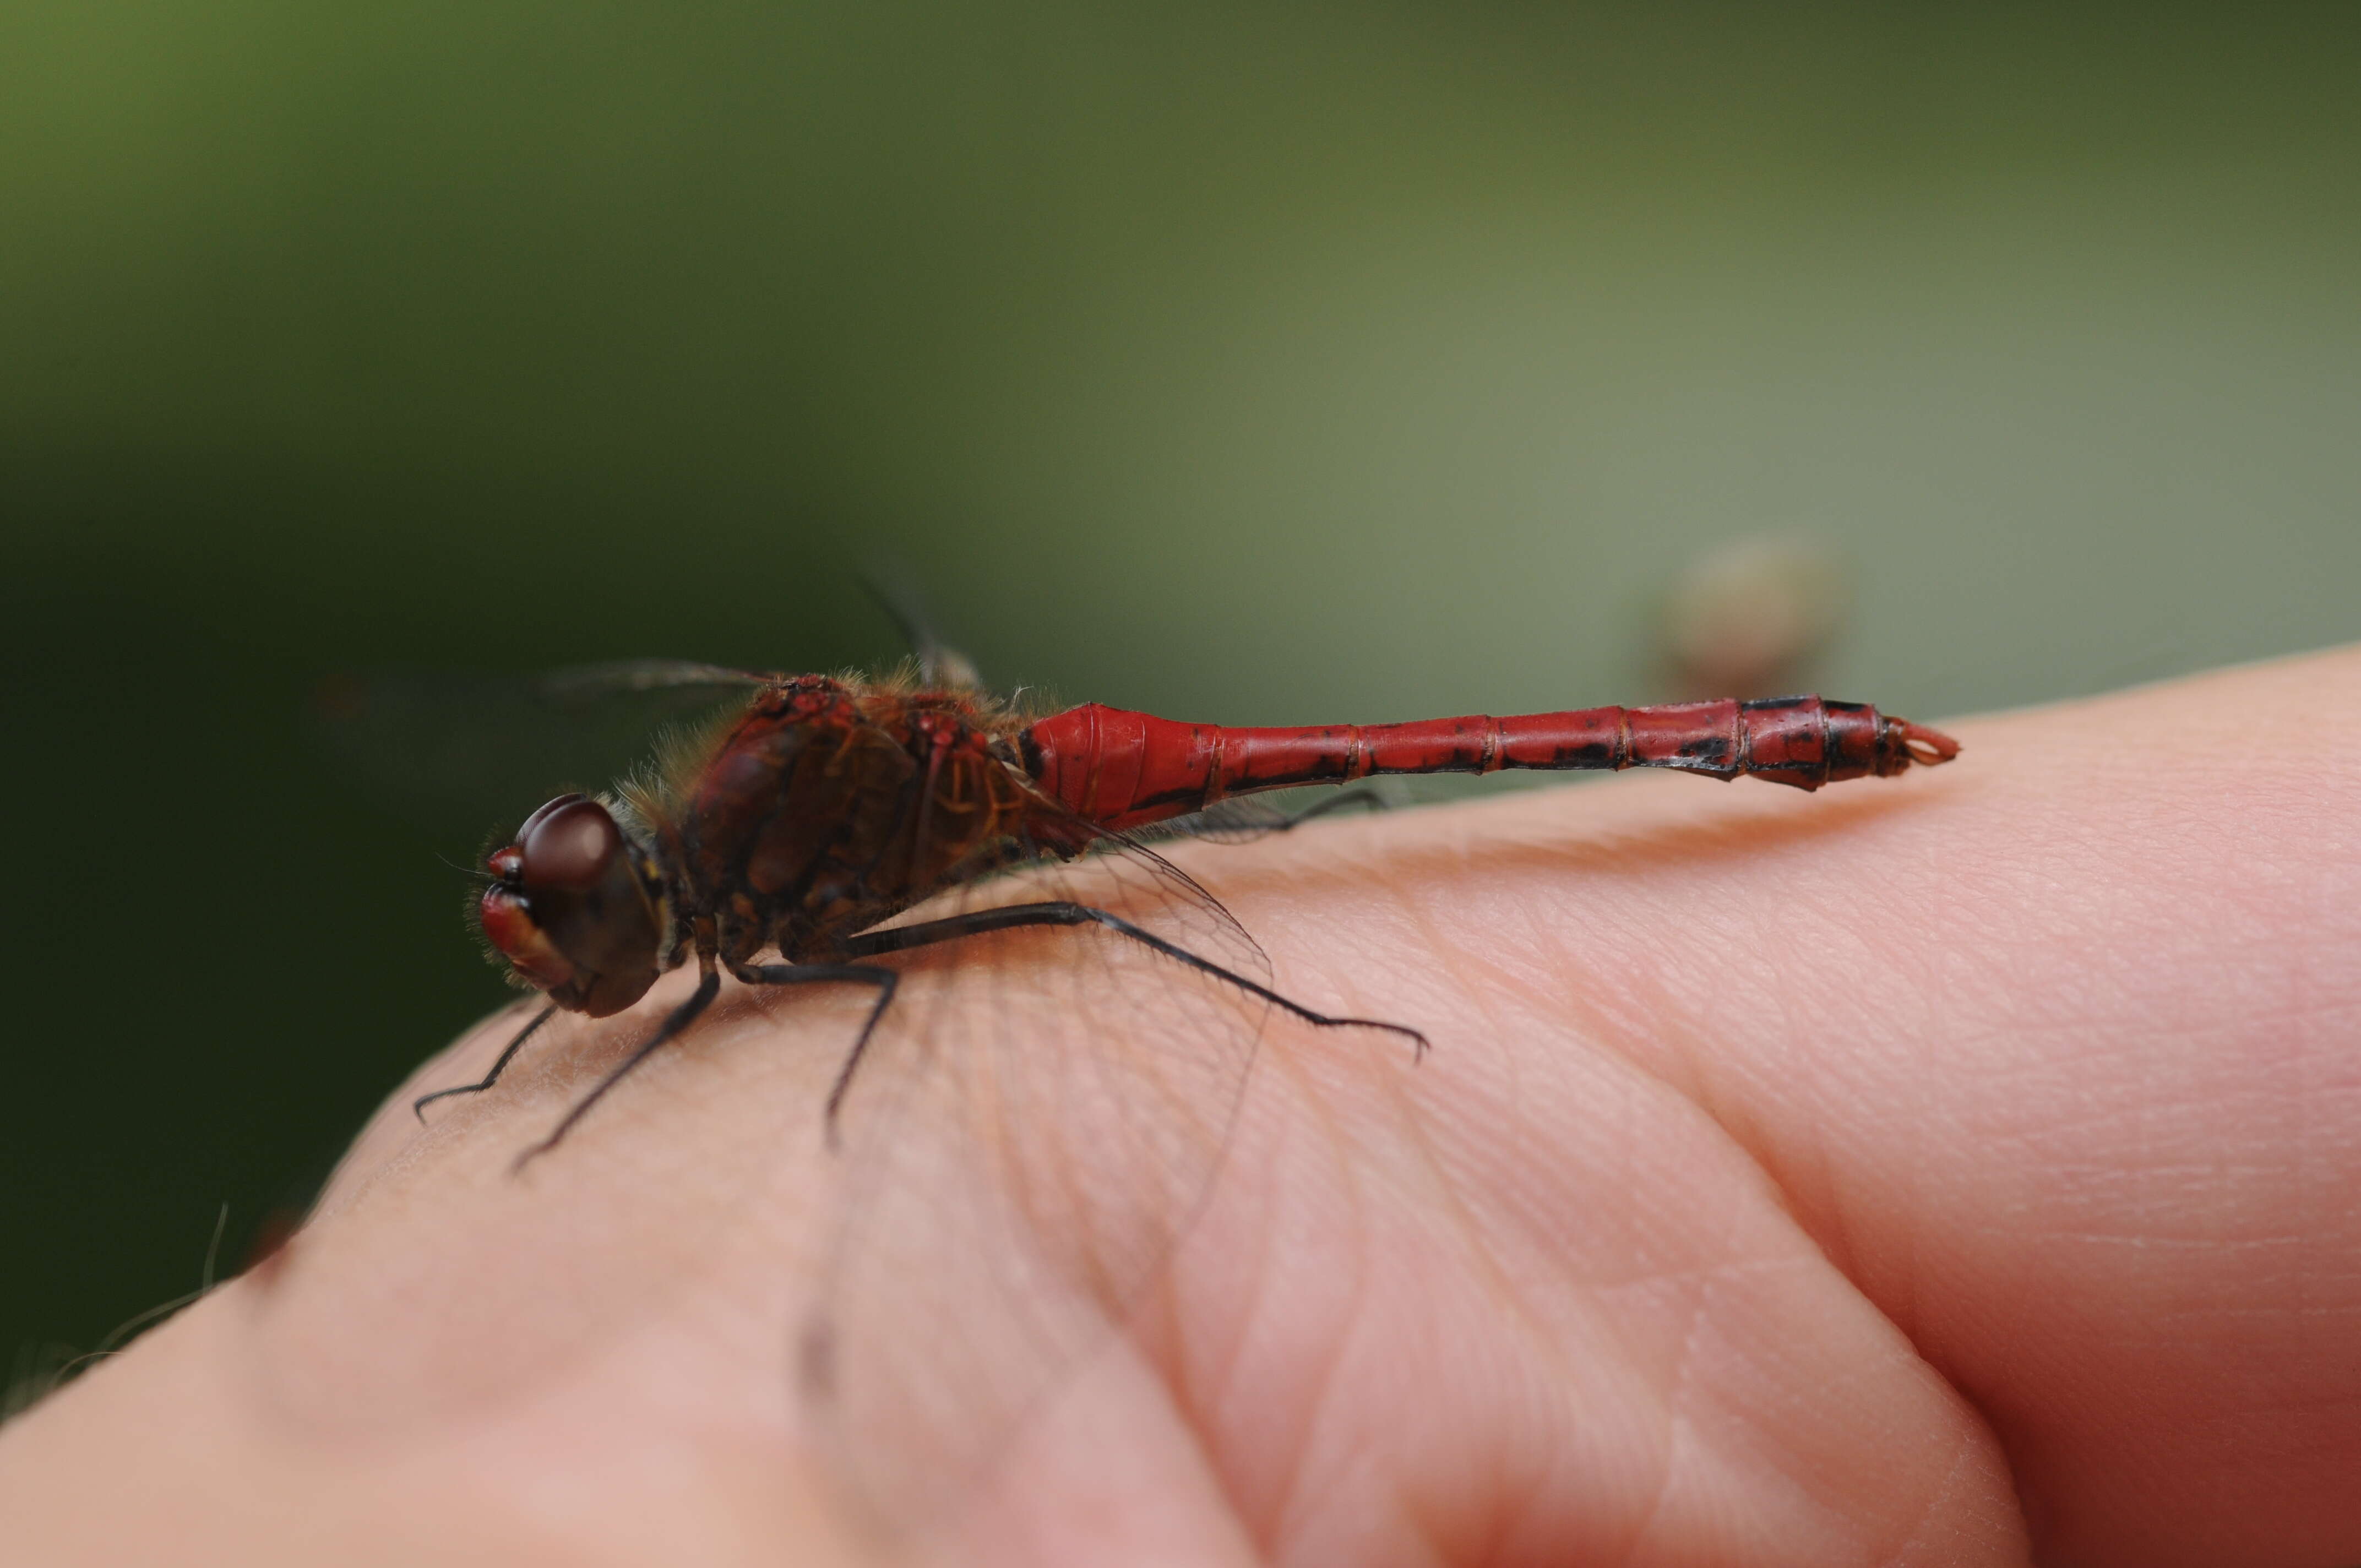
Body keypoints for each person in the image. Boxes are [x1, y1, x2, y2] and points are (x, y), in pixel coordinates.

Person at [4, 650, 2357, 1567]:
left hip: (1105, 820)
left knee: (1131, 911)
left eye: (571, 901)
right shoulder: (730, 868)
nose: (547, 917)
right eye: (553, 909)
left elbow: (997, 992)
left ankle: (1738, 743)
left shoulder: (785, 880)